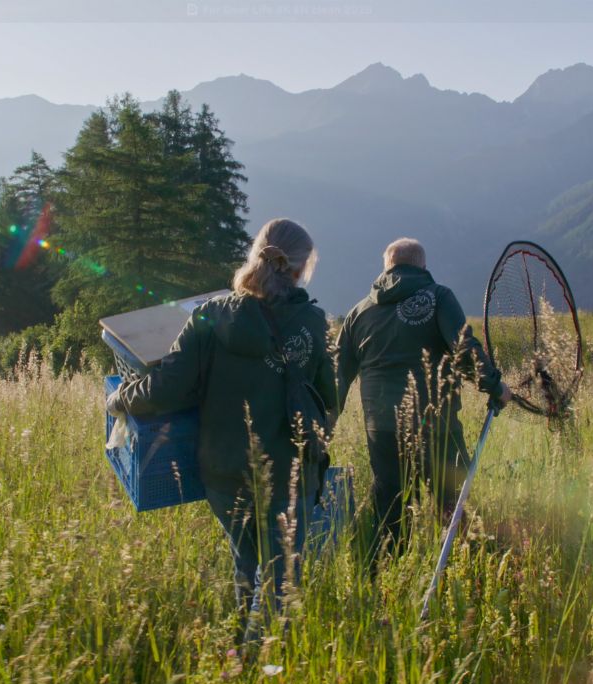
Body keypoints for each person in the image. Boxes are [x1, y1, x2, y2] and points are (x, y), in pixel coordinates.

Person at [106, 218, 336, 642]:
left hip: (224, 471)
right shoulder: (314, 323)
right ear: (301, 268)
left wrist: (120, 398)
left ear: (255, 256)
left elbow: (168, 386)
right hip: (289, 474)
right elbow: (327, 401)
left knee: (247, 561)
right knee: (281, 579)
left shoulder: (211, 315)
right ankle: (255, 671)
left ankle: (238, 651)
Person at [335, 237, 510, 563]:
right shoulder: (439, 296)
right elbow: (464, 350)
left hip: (382, 430)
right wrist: (495, 387)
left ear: (386, 268)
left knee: (390, 506)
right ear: (423, 267)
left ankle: (381, 579)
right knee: (452, 503)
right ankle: (471, 570)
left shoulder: (358, 313)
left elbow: (337, 378)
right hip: (436, 425)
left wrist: (320, 426)